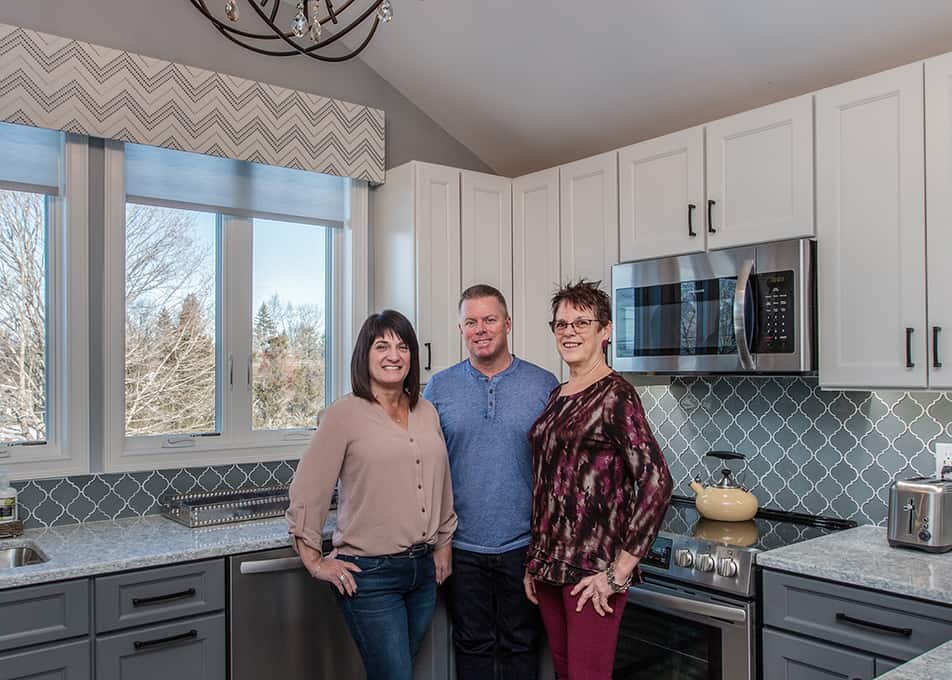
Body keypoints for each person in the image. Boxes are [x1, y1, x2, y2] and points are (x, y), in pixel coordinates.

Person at [287, 310, 458, 680]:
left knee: (395, 672)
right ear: (364, 354)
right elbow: (307, 489)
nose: (393, 355)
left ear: (412, 356)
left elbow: (441, 479)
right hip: (370, 575)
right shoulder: (342, 416)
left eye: (402, 346)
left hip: (423, 572)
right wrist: (315, 561)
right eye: (382, 346)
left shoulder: (426, 411)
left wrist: (443, 543)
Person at [523, 280, 672, 680]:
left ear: (605, 331)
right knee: (564, 672)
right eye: (561, 324)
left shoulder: (616, 395)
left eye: (581, 322)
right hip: (550, 567)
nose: (569, 332)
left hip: (593, 572)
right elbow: (547, 481)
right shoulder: (558, 395)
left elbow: (657, 481)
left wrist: (619, 571)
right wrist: (535, 560)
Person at [424, 284, 559, 680]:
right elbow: (428, 469)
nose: (480, 329)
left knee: (521, 647)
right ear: (460, 328)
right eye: (471, 321)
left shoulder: (543, 384)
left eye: (489, 319)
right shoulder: (439, 388)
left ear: (508, 324)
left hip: (524, 547)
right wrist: (440, 541)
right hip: (461, 548)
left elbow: (556, 469)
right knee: (472, 648)